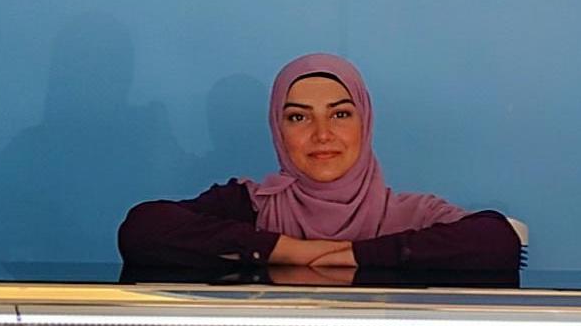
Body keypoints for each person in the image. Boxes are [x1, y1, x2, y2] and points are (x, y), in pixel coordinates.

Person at [118, 53, 521, 271]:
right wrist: (286, 249)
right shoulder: (252, 205)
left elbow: (497, 241)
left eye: (340, 114)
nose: (322, 133)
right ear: (278, 128)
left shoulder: (410, 213)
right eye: (298, 117)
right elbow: (143, 230)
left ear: (366, 121)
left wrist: (358, 255)